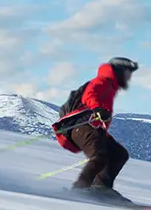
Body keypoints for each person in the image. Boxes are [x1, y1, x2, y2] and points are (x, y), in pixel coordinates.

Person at [51, 57, 139, 202]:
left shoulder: (111, 86)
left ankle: (101, 188)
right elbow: (90, 95)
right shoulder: (102, 81)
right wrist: (97, 108)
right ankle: (79, 190)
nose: (129, 77)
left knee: (119, 153)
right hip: (79, 126)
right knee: (100, 154)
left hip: (91, 127)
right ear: (119, 71)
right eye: (128, 72)